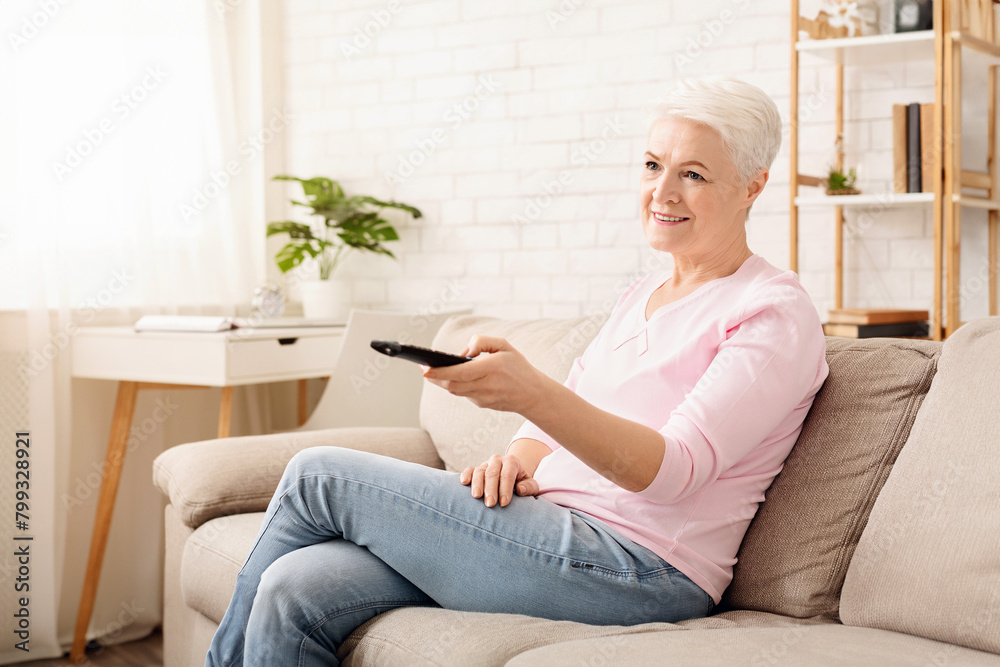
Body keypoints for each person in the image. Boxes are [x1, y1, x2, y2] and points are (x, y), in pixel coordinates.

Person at [206, 76, 829, 667]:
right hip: (551, 529)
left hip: (641, 568)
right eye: (651, 165)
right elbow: (560, 421)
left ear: (752, 186)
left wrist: (530, 392)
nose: (662, 192)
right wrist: (520, 457)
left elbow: (675, 474)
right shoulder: (643, 294)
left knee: (319, 474)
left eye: (692, 174)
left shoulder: (771, 312)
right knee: (294, 584)